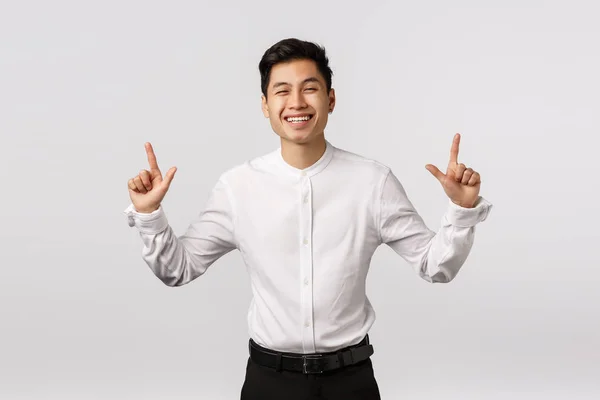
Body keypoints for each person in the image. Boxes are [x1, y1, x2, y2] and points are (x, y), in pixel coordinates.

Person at [123, 38, 493, 399]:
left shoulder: (372, 182)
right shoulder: (238, 187)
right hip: (269, 382)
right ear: (265, 105)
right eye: (282, 91)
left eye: (309, 88)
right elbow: (178, 269)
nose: (296, 102)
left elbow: (435, 266)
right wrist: (148, 214)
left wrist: (461, 212)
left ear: (331, 99)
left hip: (351, 382)